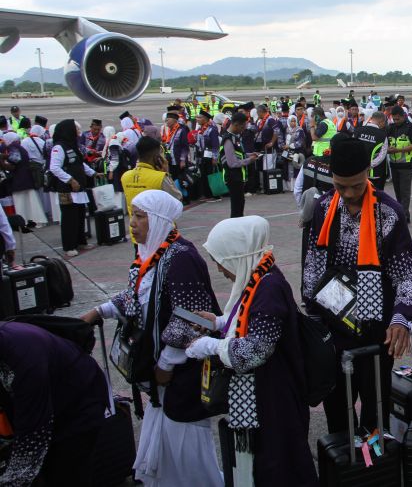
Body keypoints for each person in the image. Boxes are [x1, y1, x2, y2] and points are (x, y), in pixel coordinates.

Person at [80, 190, 223, 487]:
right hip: (161, 371)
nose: (131, 223)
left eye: (140, 216)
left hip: (182, 370)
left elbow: (191, 318)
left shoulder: (182, 257)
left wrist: (167, 364)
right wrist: (100, 311)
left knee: (185, 441)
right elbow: (136, 296)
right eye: (131, 214)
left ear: (158, 220)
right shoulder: (148, 252)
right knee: (168, 440)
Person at [185, 216, 317, 486]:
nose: (221, 269)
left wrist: (209, 345)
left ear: (239, 255)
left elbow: (255, 350)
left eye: (222, 260)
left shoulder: (268, 287)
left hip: (274, 398)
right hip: (266, 392)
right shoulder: (258, 277)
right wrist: (219, 322)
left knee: (279, 466)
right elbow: (248, 317)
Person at [303, 136, 412, 434]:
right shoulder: (324, 207)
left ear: (368, 173)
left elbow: (407, 276)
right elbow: (313, 267)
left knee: (375, 409)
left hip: (374, 329)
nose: (349, 193)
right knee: (337, 411)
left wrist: (401, 319)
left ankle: (374, 466)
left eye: (356, 185)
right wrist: (313, 324)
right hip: (332, 327)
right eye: (341, 186)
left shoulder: (389, 212)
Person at [0, 322, 108, 486]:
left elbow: (31, 439)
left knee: (64, 473)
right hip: (36, 400)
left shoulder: (25, 361)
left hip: (79, 403)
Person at [49, 119, 101, 257]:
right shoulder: (59, 147)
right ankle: (69, 246)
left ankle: (80, 241)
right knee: (69, 218)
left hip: (79, 188)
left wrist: (93, 173)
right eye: (77, 129)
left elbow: (80, 164)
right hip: (67, 189)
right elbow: (54, 167)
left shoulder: (73, 145)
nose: (79, 132)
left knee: (80, 215)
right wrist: (70, 180)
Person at [121, 136, 182, 219]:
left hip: (136, 228)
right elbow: (178, 199)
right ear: (156, 157)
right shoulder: (160, 178)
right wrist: (167, 173)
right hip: (159, 229)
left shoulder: (125, 177)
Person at [1, 131, 47, 227]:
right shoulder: (20, 147)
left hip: (19, 179)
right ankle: (37, 221)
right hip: (26, 178)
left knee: (20, 202)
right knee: (32, 201)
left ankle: (24, 221)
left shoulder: (13, 147)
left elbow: (14, 162)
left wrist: (2, 161)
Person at [220, 113, 259, 218]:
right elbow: (232, 163)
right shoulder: (228, 139)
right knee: (237, 208)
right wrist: (249, 161)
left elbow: (239, 155)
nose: (243, 130)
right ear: (236, 125)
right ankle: (234, 230)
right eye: (242, 127)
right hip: (233, 177)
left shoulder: (235, 137)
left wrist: (250, 155)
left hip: (238, 177)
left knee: (240, 205)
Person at [388, 105, 412, 223]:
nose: (395, 121)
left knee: (405, 192)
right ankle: (402, 212)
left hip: (406, 165)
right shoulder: (390, 128)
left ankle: (404, 215)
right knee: (397, 191)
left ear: (403, 116)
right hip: (394, 164)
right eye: (393, 119)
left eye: (397, 119)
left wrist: (399, 150)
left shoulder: (410, 127)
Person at [352, 110, 389, 190]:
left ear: (371, 119)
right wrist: (368, 166)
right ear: (382, 122)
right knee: (375, 199)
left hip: (358, 172)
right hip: (375, 174)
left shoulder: (358, 130)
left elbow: (351, 149)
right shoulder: (382, 135)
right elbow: (382, 156)